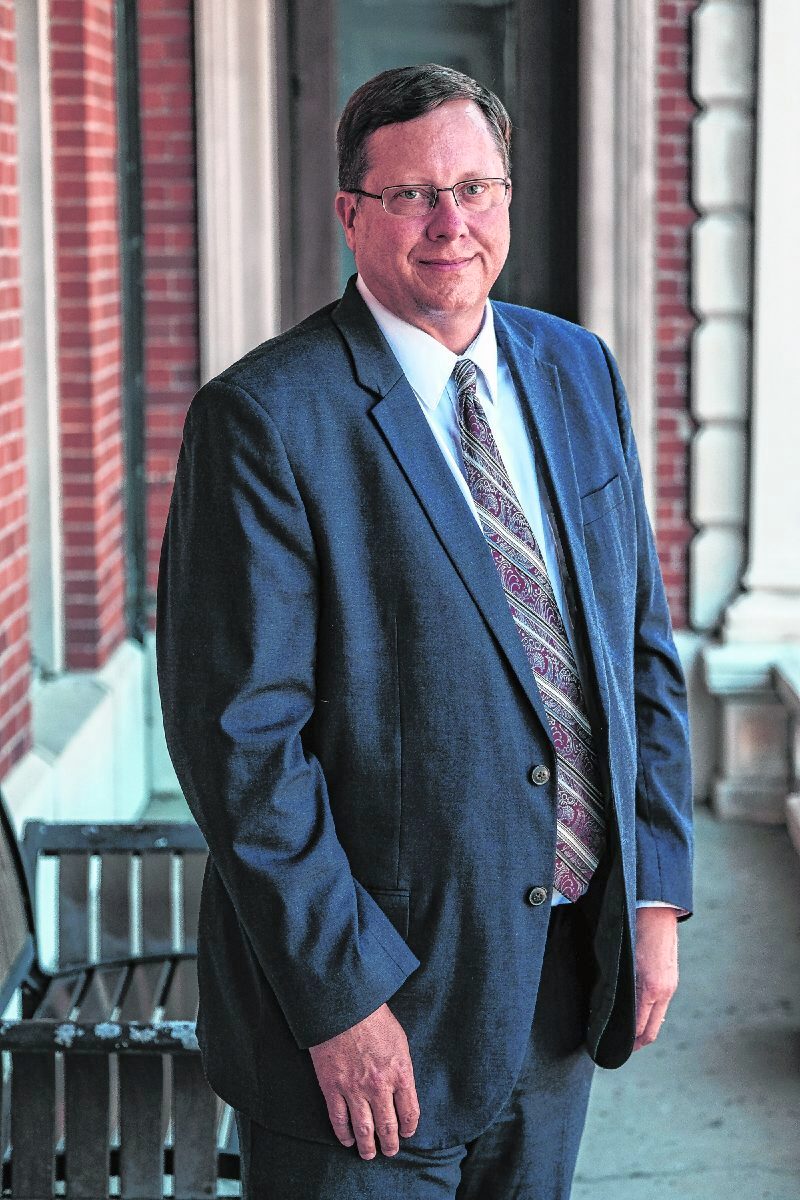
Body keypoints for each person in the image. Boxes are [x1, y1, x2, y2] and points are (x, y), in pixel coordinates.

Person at [156, 63, 693, 1200]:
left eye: (475, 187)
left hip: (558, 982)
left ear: (506, 198)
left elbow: (634, 643)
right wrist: (340, 999)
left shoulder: (577, 368)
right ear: (349, 214)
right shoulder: (264, 419)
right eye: (411, 195)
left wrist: (653, 890)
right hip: (372, 1021)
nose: (451, 223)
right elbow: (241, 745)